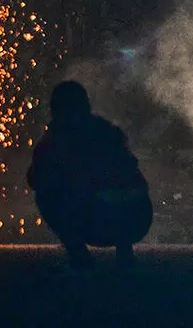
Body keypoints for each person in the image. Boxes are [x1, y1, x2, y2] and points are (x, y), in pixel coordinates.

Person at [27, 80, 153, 269]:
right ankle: (124, 252)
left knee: (47, 195)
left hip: (97, 219)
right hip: (136, 218)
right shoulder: (107, 131)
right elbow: (134, 179)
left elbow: (36, 180)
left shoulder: (56, 142)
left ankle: (81, 258)